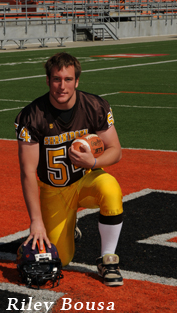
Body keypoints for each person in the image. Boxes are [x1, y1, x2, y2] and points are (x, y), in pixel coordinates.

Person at [15, 52, 123, 287]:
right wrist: (36, 221)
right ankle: (67, 224)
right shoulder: (32, 116)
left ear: (76, 81)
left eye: (67, 79)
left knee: (111, 189)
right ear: (47, 80)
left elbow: (116, 150)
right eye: (56, 79)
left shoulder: (95, 106)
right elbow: (27, 172)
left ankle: (108, 259)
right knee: (60, 259)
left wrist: (93, 163)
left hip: (86, 180)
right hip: (54, 189)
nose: (62, 86)